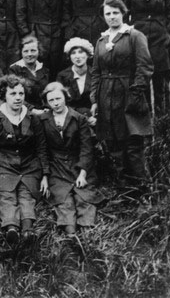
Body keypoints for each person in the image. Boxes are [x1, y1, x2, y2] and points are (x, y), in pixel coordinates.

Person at [0, 75, 49, 247]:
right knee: (6, 195)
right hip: (3, 165)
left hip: (29, 165)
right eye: (13, 94)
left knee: (26, 194)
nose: (18, 98)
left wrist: (46, 175)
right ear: (4, 95)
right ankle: (11, 228)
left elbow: (41, 147)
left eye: (21, 94)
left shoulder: (33, 118)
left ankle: (28, 230)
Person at [90, 0, 154, 190]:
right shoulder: (101, 40)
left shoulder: (134, 36)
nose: (112, 17)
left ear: (123, 13)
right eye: (108, 13)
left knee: (133, 144)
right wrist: (94, 100)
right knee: (114, 145)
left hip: (128, 94)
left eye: (115, 12)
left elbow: (145, 67)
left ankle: (142, 191)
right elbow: (96, 72)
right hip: (106, 98)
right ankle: (123, 192)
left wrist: (135, 94)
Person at [40, 82, 99, 235]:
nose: (56, 103)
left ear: (65, 98)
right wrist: (45, 175)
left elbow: (86, 148)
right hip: (56, 167)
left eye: (58, 98)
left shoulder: (78, 118)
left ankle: (86, 230)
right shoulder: (43, 120)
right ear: (47, 102)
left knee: (84, 196)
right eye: (51, 100)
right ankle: (70, 233)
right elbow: (42, 150)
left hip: (77, 164)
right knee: (62, 198)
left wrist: (83, 173)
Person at [16, 0, 65, 77]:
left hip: (56, 33)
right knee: (35, 66)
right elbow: (20, 11)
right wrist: (26, 34)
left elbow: (65, 9)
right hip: (34, 32)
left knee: (55, 65)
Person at [8, 35, 50, 114]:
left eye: (33, 50)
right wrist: (33, 110)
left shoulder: (44, 69)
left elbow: (49, 92)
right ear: (21, 52)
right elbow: (14, 96)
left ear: (39, 51)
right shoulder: (14, 70)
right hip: (23, 111)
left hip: (44, 111)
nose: (29, 54)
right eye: (26, 51)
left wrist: (47, 108)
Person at [56, 38, 94, 116]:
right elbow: (60, 101)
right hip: (70, 116)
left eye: (81, 52)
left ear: (88, 54)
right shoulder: (62, 76)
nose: (77, 56)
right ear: (69, 57)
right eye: (73, 53)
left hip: (93, 116)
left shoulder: (95, 74)